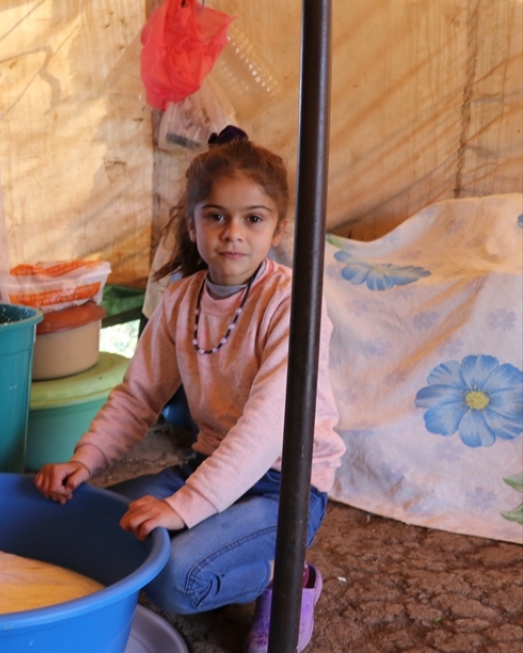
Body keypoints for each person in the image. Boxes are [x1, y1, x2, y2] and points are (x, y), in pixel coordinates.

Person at [33, 127, 346, 653]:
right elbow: (138, 397)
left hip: (285, 486)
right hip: (209, 464)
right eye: (216, 216)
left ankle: (284, 577)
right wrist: (85, 461)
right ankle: (214, 534)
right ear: (193, 222)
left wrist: (184, 508)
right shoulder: (181, 300)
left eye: (253, 218)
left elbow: (267, 428)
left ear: (279, 226)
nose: (232, 233)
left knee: (176, 578)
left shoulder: (294, 304)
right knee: (99, 528)